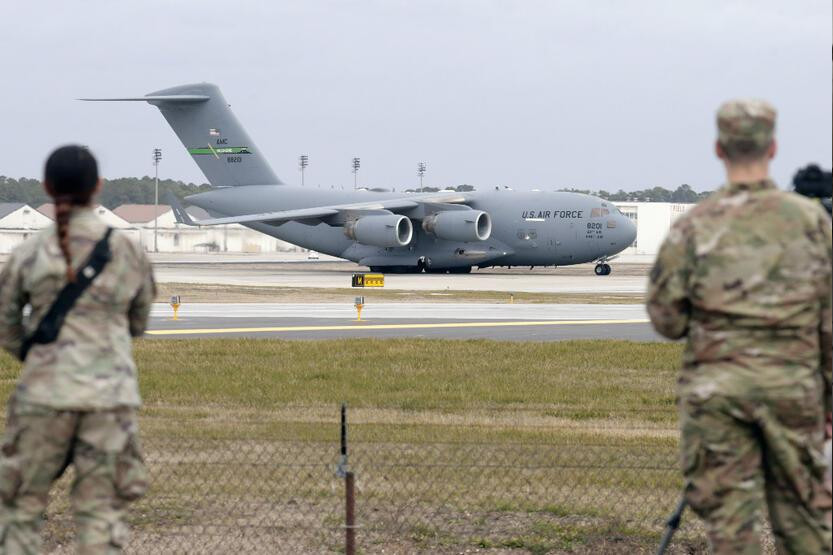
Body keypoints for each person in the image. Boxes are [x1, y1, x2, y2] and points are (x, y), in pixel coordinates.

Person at [647, 99, 832, 553]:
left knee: (732, 530)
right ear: (772, 148)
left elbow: (666, 319)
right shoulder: (810, 222)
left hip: (719, 393)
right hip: (793, 389)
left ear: (718, 149)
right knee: (807, 525)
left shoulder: (694, 227)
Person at [0, 146, 156, 553]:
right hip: (108, 400)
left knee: (19, 511)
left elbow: (7, 324)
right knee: (100, 516)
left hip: (43, 395)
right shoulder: (128, 252)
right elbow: (137, 322)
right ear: (98, 188)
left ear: (47, 188)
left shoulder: (29, 252)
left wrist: (41, 357)